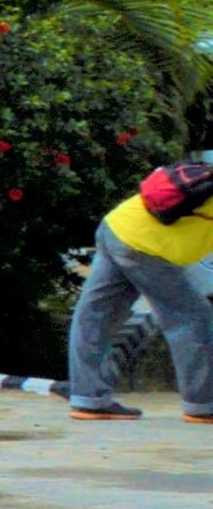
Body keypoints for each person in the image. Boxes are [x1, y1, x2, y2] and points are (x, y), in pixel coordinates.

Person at [70, 151, 213, 420]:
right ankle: (203, 405)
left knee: (97, 315)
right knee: (192, 317)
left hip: (116, 226)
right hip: (143, 249)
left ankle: (88, 399)